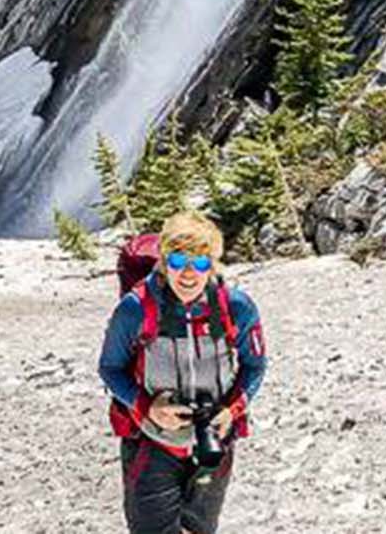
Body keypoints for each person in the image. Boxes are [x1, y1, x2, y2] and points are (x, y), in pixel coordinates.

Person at [99, 212, 268, 534]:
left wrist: (232, 410)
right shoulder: (136, 308)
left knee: (199, 529)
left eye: (201, 263)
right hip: (151, 441)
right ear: (164, 261)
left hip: (214, 439)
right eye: (178, 260)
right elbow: (109, 368)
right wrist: (148, 407)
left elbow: (255, 364)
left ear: (213, 264)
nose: (189, 274)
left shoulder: (236, 306)